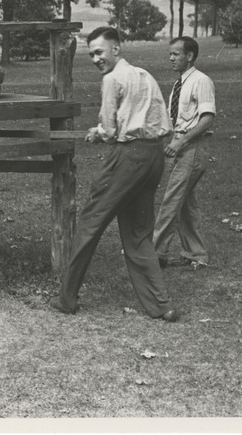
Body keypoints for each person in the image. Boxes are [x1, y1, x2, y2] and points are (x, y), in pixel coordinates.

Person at [49, 26, 179, 322]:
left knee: (89, 224)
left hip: (128, 157)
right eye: (91, 54)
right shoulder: (144, 75)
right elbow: (162, 120)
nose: (96, 59)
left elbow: (109, 130)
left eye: (100, 52)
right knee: (138, 234)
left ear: (116, 49)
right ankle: (162, 306)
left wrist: (98, 132)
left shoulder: (112, 79)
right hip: (154, 156)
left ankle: (66, 299)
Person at [154, 36, 216, 268]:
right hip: (180, 145)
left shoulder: (201, 81)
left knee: (172, 200)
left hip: (193, 147)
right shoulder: (180, 83)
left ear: (189, 56)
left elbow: (207, 118)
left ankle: (156, 253)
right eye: (170, 54)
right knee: (186, 203)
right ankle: (196, 254)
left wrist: (181, 142)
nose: (171, 58)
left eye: (175, 54)